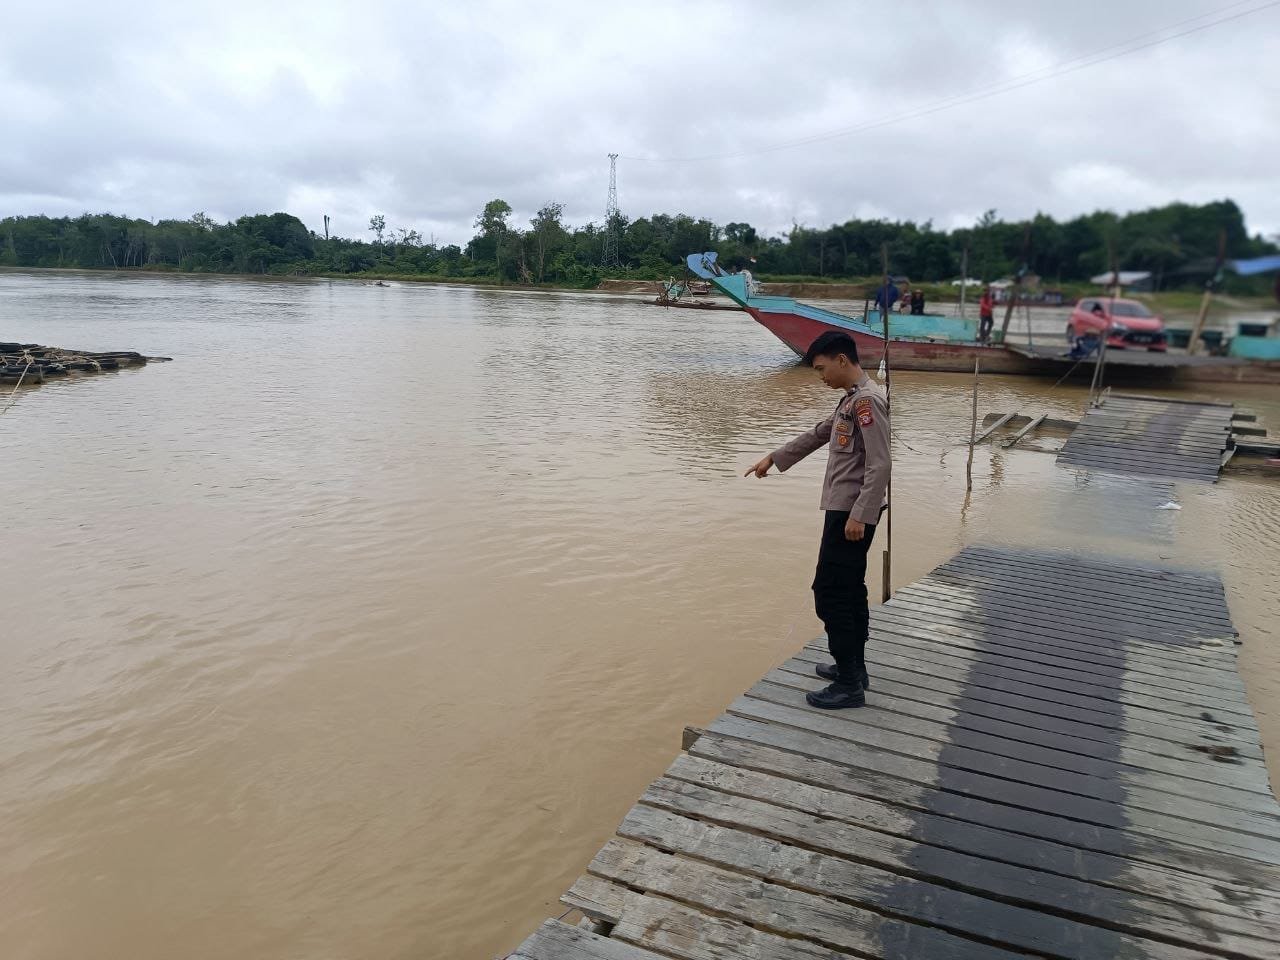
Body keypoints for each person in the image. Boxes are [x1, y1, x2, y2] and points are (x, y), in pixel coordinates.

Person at [744, 331, 891, 710]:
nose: (821, 377)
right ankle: (854, 668)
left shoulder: (867, 403)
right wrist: (774, 458)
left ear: (842, 360)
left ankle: (848, 684)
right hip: (846, 511)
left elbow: (880, 463)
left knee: (829, 593)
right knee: (850, 588)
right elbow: (818, 434)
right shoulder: (851, 400)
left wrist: (860, 514)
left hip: (852, 514)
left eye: (822, 369)